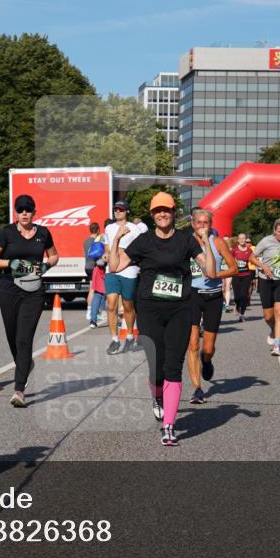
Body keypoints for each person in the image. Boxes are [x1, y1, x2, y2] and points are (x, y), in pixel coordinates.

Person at [108, 192, 215, 447]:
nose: (162, 214)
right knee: (156, 366)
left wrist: (206, 242)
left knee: (173, 366)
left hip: (179, 309)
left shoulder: (186, 240)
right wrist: (116, 241)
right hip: (149, 310)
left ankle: (169, 425)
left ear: (173, 212)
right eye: (157, 211)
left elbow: (209, 271)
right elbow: (114, 266)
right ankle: (157, 397)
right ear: (152, 214)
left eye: (166, 210)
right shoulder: (143, 241)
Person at [0, 194, 59, 408]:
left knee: (24, 338)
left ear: (34, 212)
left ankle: (19, 389)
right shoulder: (6, 233)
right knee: (12, 336)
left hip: (34, 291)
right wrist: (11, 263)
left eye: (28, 209)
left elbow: (54, 256)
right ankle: (25, 363)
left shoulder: (43, 233)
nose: (24, 213)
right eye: (20, 210)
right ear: (16, 213)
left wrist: (46, 266)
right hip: (9, 288)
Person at [186, 209, 238, 404]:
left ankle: (206, 360)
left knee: (207, 347)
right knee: (192, 344)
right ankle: (197, 389)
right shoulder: (186, 242)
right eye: (198, 222)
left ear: (210, 224)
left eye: (205, 223)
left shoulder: (217, 243)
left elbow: (233, 268)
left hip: (213, 297)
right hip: (191, 296)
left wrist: (216, 275)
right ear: (192, 224)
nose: (201, 226)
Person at [103, 200, 147, 354]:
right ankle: (114, 340)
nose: (118, 211)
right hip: (112, 270)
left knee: (128, 305)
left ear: (127, 211)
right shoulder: (109, 228)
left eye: (121, 209)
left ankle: (129, 335)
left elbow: (141, 250)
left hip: (129, 270)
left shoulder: (135, 229)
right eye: (116, 209)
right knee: (111, 304)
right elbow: (107, 247)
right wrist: (106, 254)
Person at [250, 219, 280, 357]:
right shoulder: (266, 241)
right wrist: (264, 267)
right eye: (279, 232)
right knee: (268, 316)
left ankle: (277, 345)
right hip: (266, 279)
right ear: (274, 230)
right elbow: (252, 258)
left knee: (279, 312)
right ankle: (272, 328)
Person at [229, 232, 254, 322]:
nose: (243, 240)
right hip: (236, 275)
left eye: (244, 238)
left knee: (244, 295)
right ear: (238, 240)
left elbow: (253, 259)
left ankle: (242, 314)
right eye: (241, 238)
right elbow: (229, 261)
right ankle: (237, 306)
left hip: (246, 275)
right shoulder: (234, 250)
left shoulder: (249, 250)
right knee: (237, 297)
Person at [83, 222, 103, 317]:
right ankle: (90, 311)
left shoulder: (86, 241)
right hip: (94, 267)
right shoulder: (97, 241)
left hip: (87, 266)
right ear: (98, 230)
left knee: (93, 289)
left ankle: (92, 311)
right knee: (93, 290)